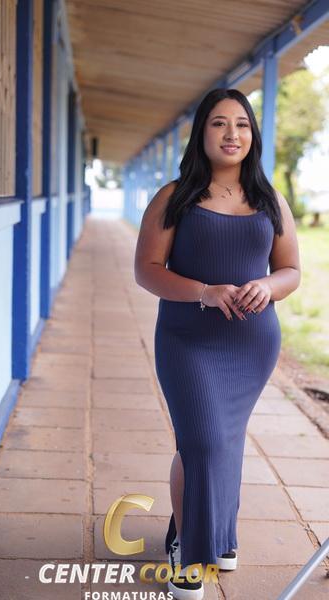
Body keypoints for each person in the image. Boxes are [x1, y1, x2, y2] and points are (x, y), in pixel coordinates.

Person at [134, 88, 301, 600]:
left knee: (224, 441)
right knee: (203, 440)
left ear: (253, 134)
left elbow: (291, 271)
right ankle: (189, 548)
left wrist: (267, 286)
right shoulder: (174, 197)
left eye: (242, 124)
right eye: (219, 123)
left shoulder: (270, 200)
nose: (232, 134)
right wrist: (205, 291)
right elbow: (147, 270)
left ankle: (218, 536)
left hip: (251, 344)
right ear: (201, 133)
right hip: (188, 339)